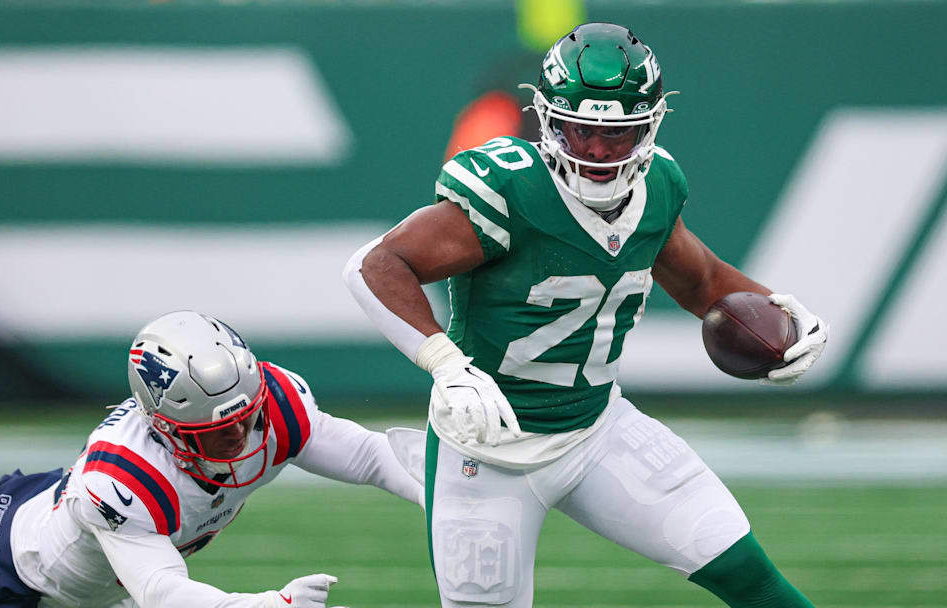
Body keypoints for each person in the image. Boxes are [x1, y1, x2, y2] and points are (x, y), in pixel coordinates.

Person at [343, 22, 828, 608]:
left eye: (617, 135)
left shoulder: (658, 187)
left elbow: (700, 280)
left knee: (748, 573)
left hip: (598, 429)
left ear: (648, 128)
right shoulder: (511, 189)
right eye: (580, 130)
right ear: (548, 121)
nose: (597, 151)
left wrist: (781, 315)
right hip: (488, 448)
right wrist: (445, 362)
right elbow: (375, 264)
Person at [0, 310, 422, 608]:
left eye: (248, 416)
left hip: (118, 576)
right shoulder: (122, 481)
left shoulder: (275, 406)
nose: (240, 435)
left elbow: (370, 456)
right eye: (216, 430)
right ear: (164, 427)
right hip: (28, 579)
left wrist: (446, 492)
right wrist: (270, 604)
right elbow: (161, 593)